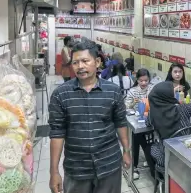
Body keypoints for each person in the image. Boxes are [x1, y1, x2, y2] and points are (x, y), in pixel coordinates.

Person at [48, 40, 131, 193]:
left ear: (97, 62)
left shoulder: (113, 91)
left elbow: (120, 123)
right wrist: (54, 172)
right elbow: (57, 133)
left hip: (109, 165)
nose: (80, 66)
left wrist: (126, 151)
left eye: (85, 61)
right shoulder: (61, 94)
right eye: (75, 62)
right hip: (77, 169)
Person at [124, 68, 154, 179]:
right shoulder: (133, 91)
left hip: (150, 118)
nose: (143, 83)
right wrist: (133, 103)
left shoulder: (152, 89)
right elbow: (126, 106)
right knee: (136, 136)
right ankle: (136, 165)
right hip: (137, 120)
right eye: (141, 81)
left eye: (146, 80)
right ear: (137, 80)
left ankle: (150, 158)